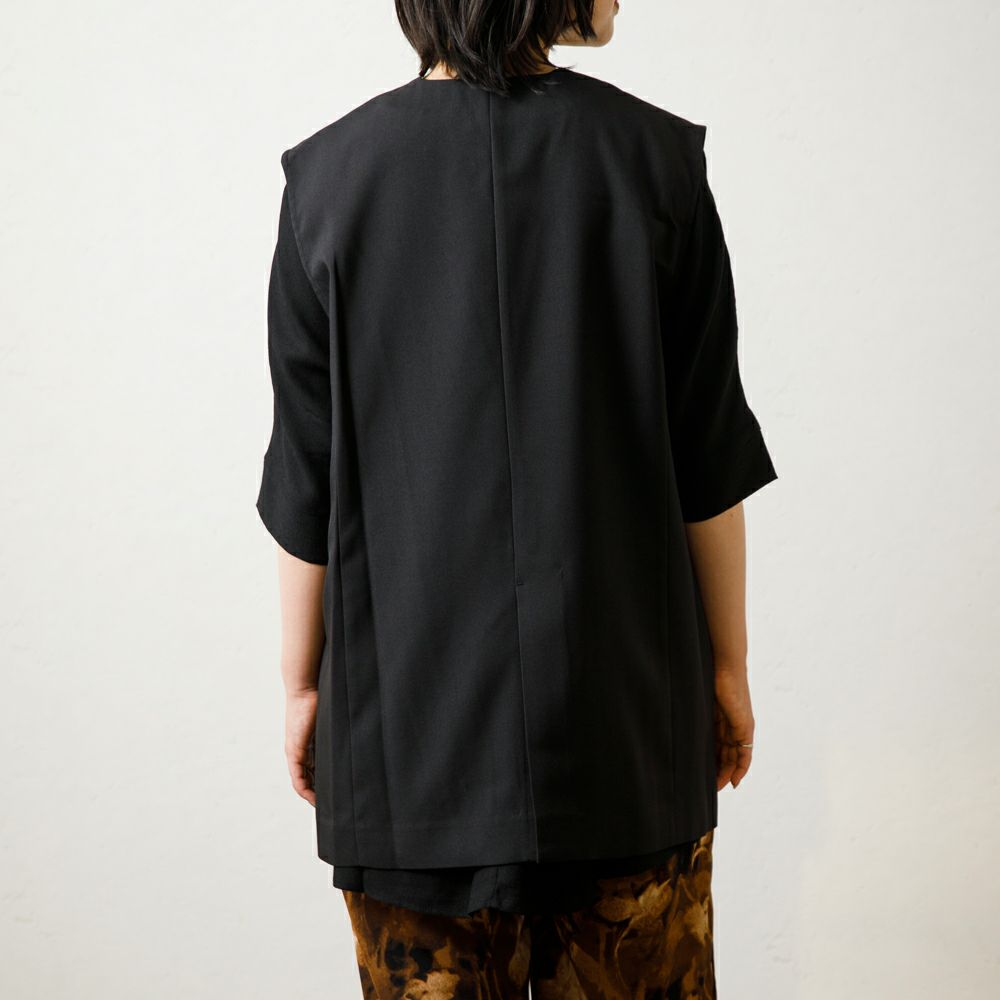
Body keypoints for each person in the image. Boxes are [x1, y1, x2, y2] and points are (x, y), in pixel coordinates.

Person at [256, 0, 778, 994]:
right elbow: (707, 457)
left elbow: (303, 479)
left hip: (410, 750)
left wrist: (303, 685)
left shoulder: (328, 180)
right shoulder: (655, 162)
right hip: (624, 732)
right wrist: (728, 663)